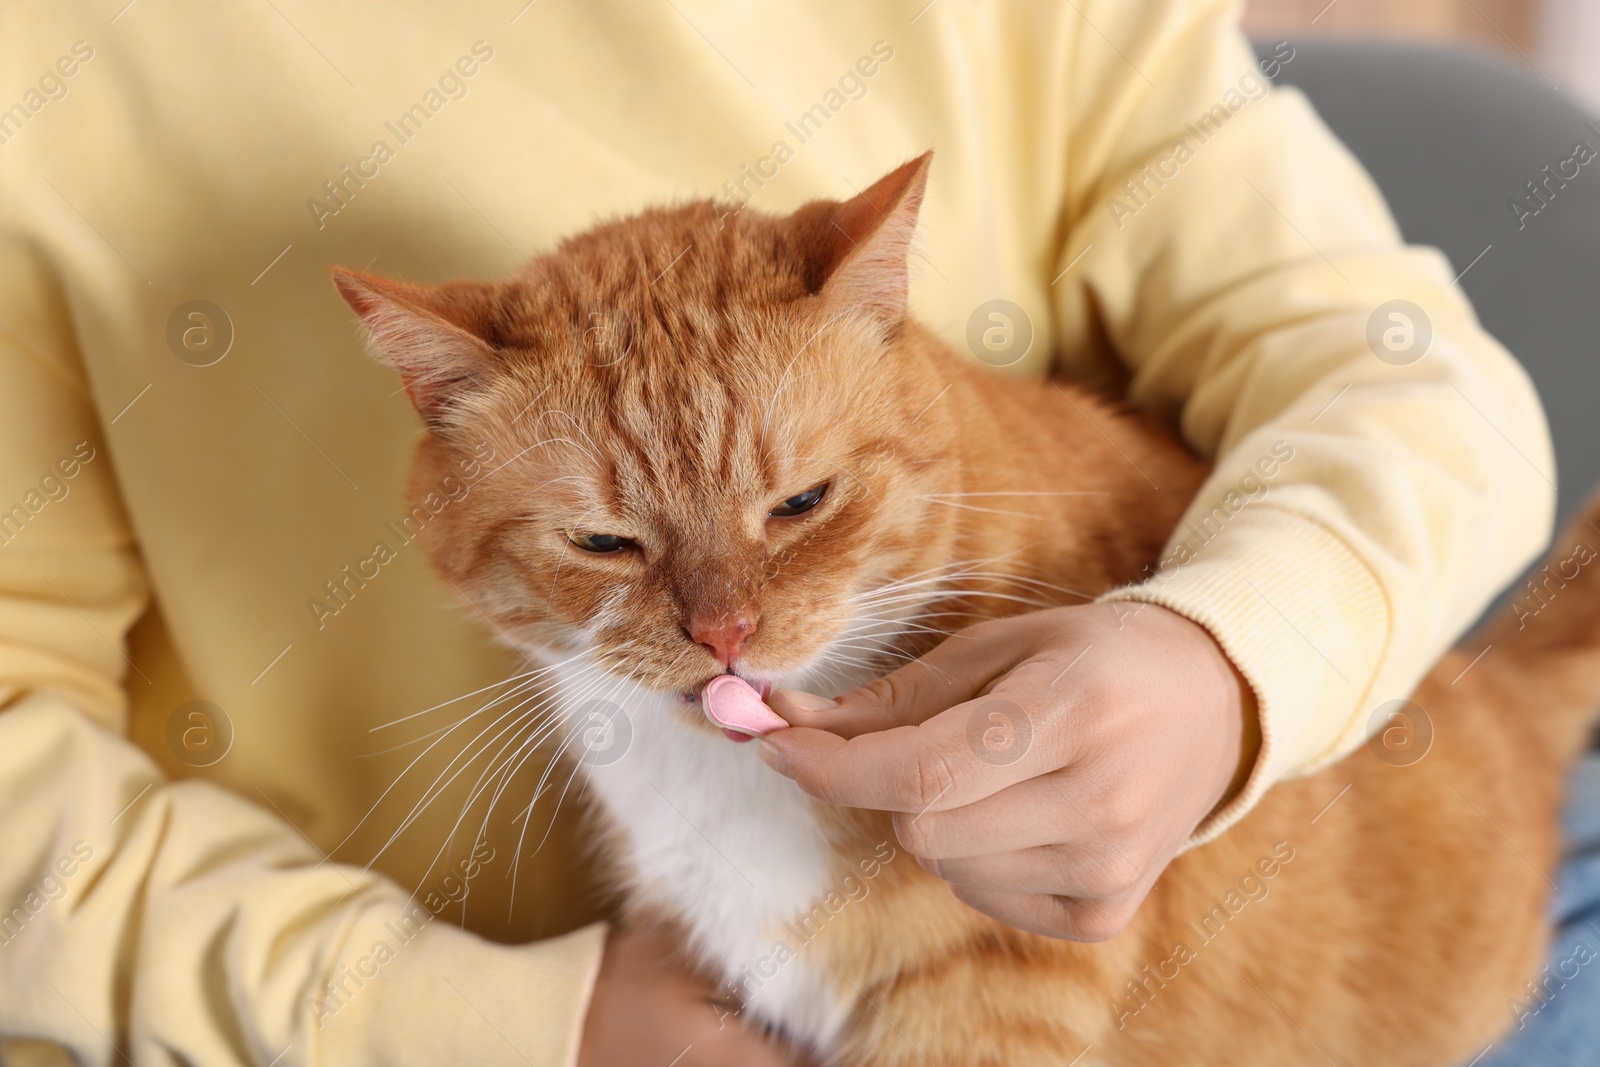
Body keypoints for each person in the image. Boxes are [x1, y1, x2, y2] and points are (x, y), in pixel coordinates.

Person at [0, 2, 1572, 1065]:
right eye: (614, 552)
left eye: (800, 511)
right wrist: (490, 1023)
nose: (722, 624)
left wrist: (1226, 665)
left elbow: (1412, 379)